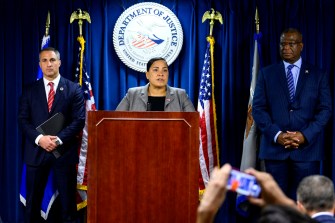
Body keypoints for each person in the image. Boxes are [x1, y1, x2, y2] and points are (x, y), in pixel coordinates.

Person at [252, 28, 332, 200]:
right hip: (275, 151)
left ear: (301, 46)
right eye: (282, 44)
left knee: (304, 202)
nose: (286, 48)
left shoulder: (318, 75)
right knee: (275, 203)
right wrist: (277, 135)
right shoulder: (267, 74)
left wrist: (304, 135)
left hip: (307, 151)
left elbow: (325, 110)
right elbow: (258, 108)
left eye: (291, 44)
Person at [19, 47, 85, 222]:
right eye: (45, 60)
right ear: (40, 64)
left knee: (68, 203)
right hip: (36, 152)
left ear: (59, 62)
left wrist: (58, 140)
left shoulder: (73, 89)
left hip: (64, 153)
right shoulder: (29, 90)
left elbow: (78, 120)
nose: (49, 64)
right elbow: (23, 120)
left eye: (53, 60)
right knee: (32, 204)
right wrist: (40, 139)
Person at [115, 57, 195, 111]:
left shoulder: (180, 95)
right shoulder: (133, 94)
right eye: (156, 70)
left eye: (165, 70)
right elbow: (117, 119)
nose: (161, 74)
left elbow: (193, 122)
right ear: (147, 75)